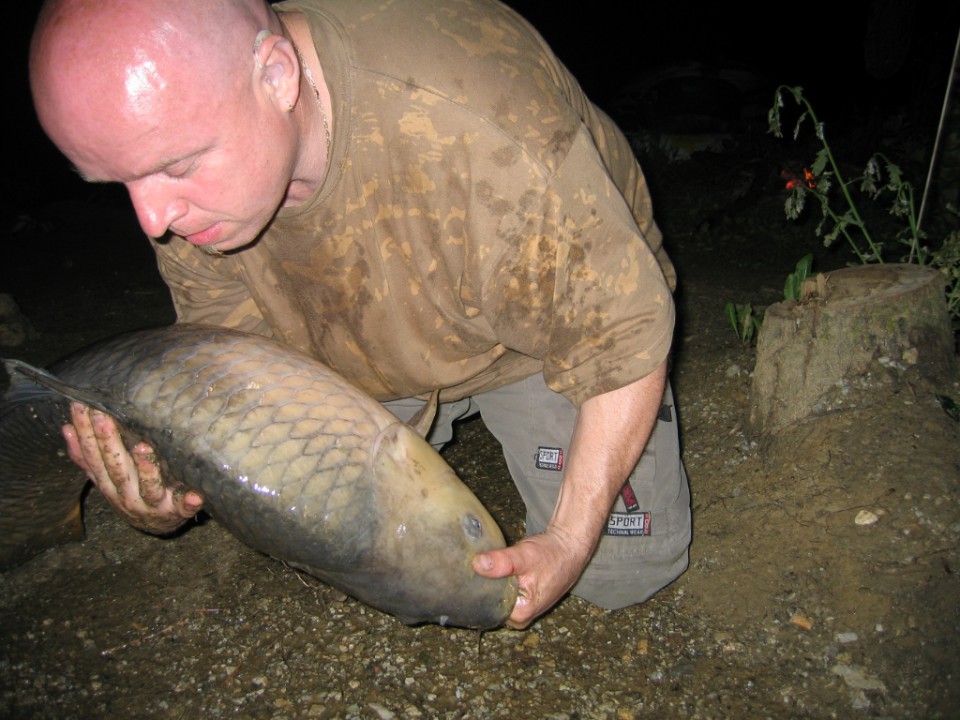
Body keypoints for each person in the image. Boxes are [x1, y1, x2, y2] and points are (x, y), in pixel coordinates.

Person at [29, 0, 691, 629]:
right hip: (349, 344)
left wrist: (572, 539)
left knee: (617, 573)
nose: (152, 218)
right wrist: (173, 482)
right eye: (121, 181)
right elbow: (234, 374)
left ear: (277, 75)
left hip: (535, 336)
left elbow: (623, 343)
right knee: (370, 548)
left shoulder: (479, 124)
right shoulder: (185, 191)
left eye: (178, 165)